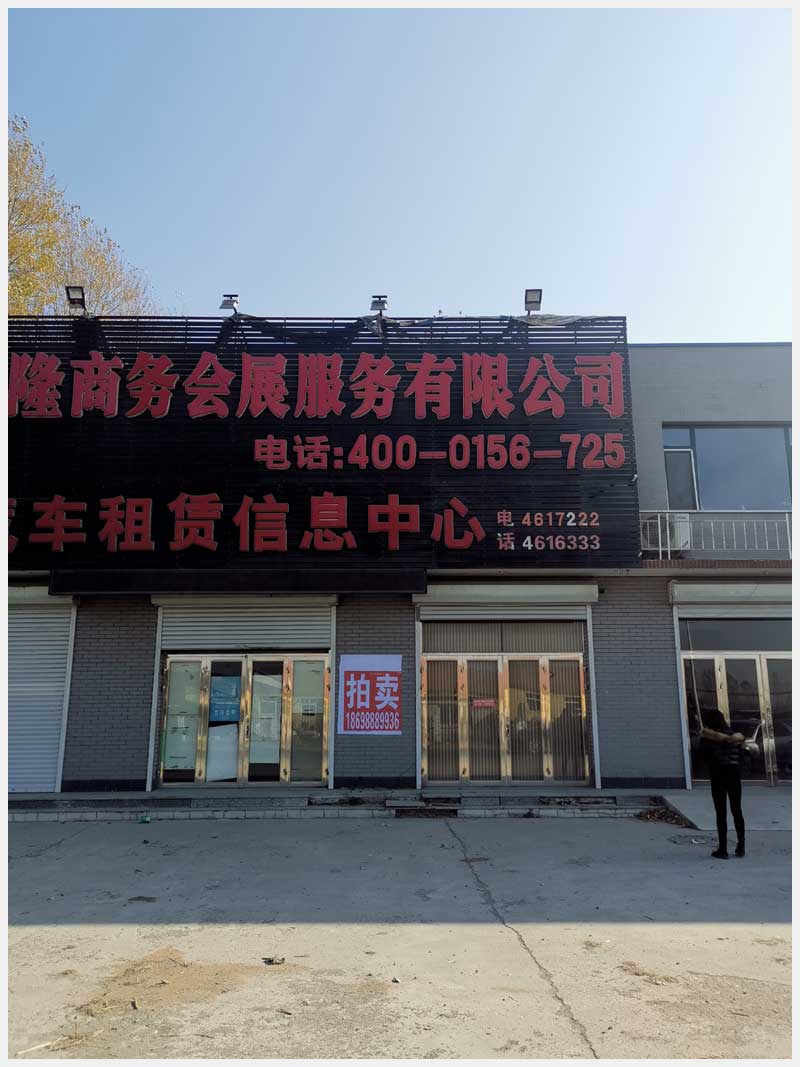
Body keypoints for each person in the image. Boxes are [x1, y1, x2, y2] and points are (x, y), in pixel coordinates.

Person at [700, 708, 746, 859]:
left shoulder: (708, 738)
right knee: (737, 810)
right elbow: (741, 756)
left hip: (718, 775)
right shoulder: (735, 737)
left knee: (721, 812)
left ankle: (723, 849)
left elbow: (703, 756)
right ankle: (741, 846)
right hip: (734, 775)